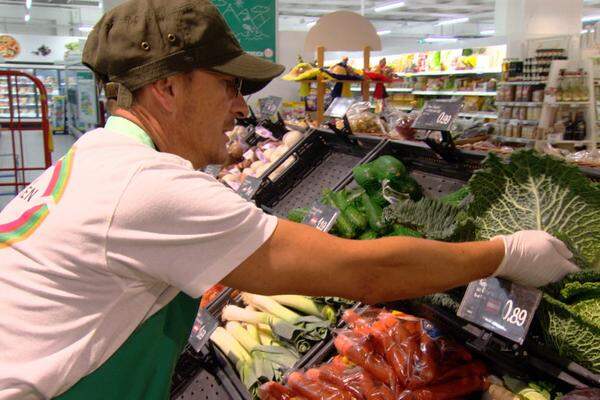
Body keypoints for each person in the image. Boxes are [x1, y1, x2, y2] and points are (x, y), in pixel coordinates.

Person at [0, 0, 578, 399]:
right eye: (229, 84)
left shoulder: (91, 161)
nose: (241, 107)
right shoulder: (144, 188)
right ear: (168, 87)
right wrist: (503, 254)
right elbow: (364, 274)